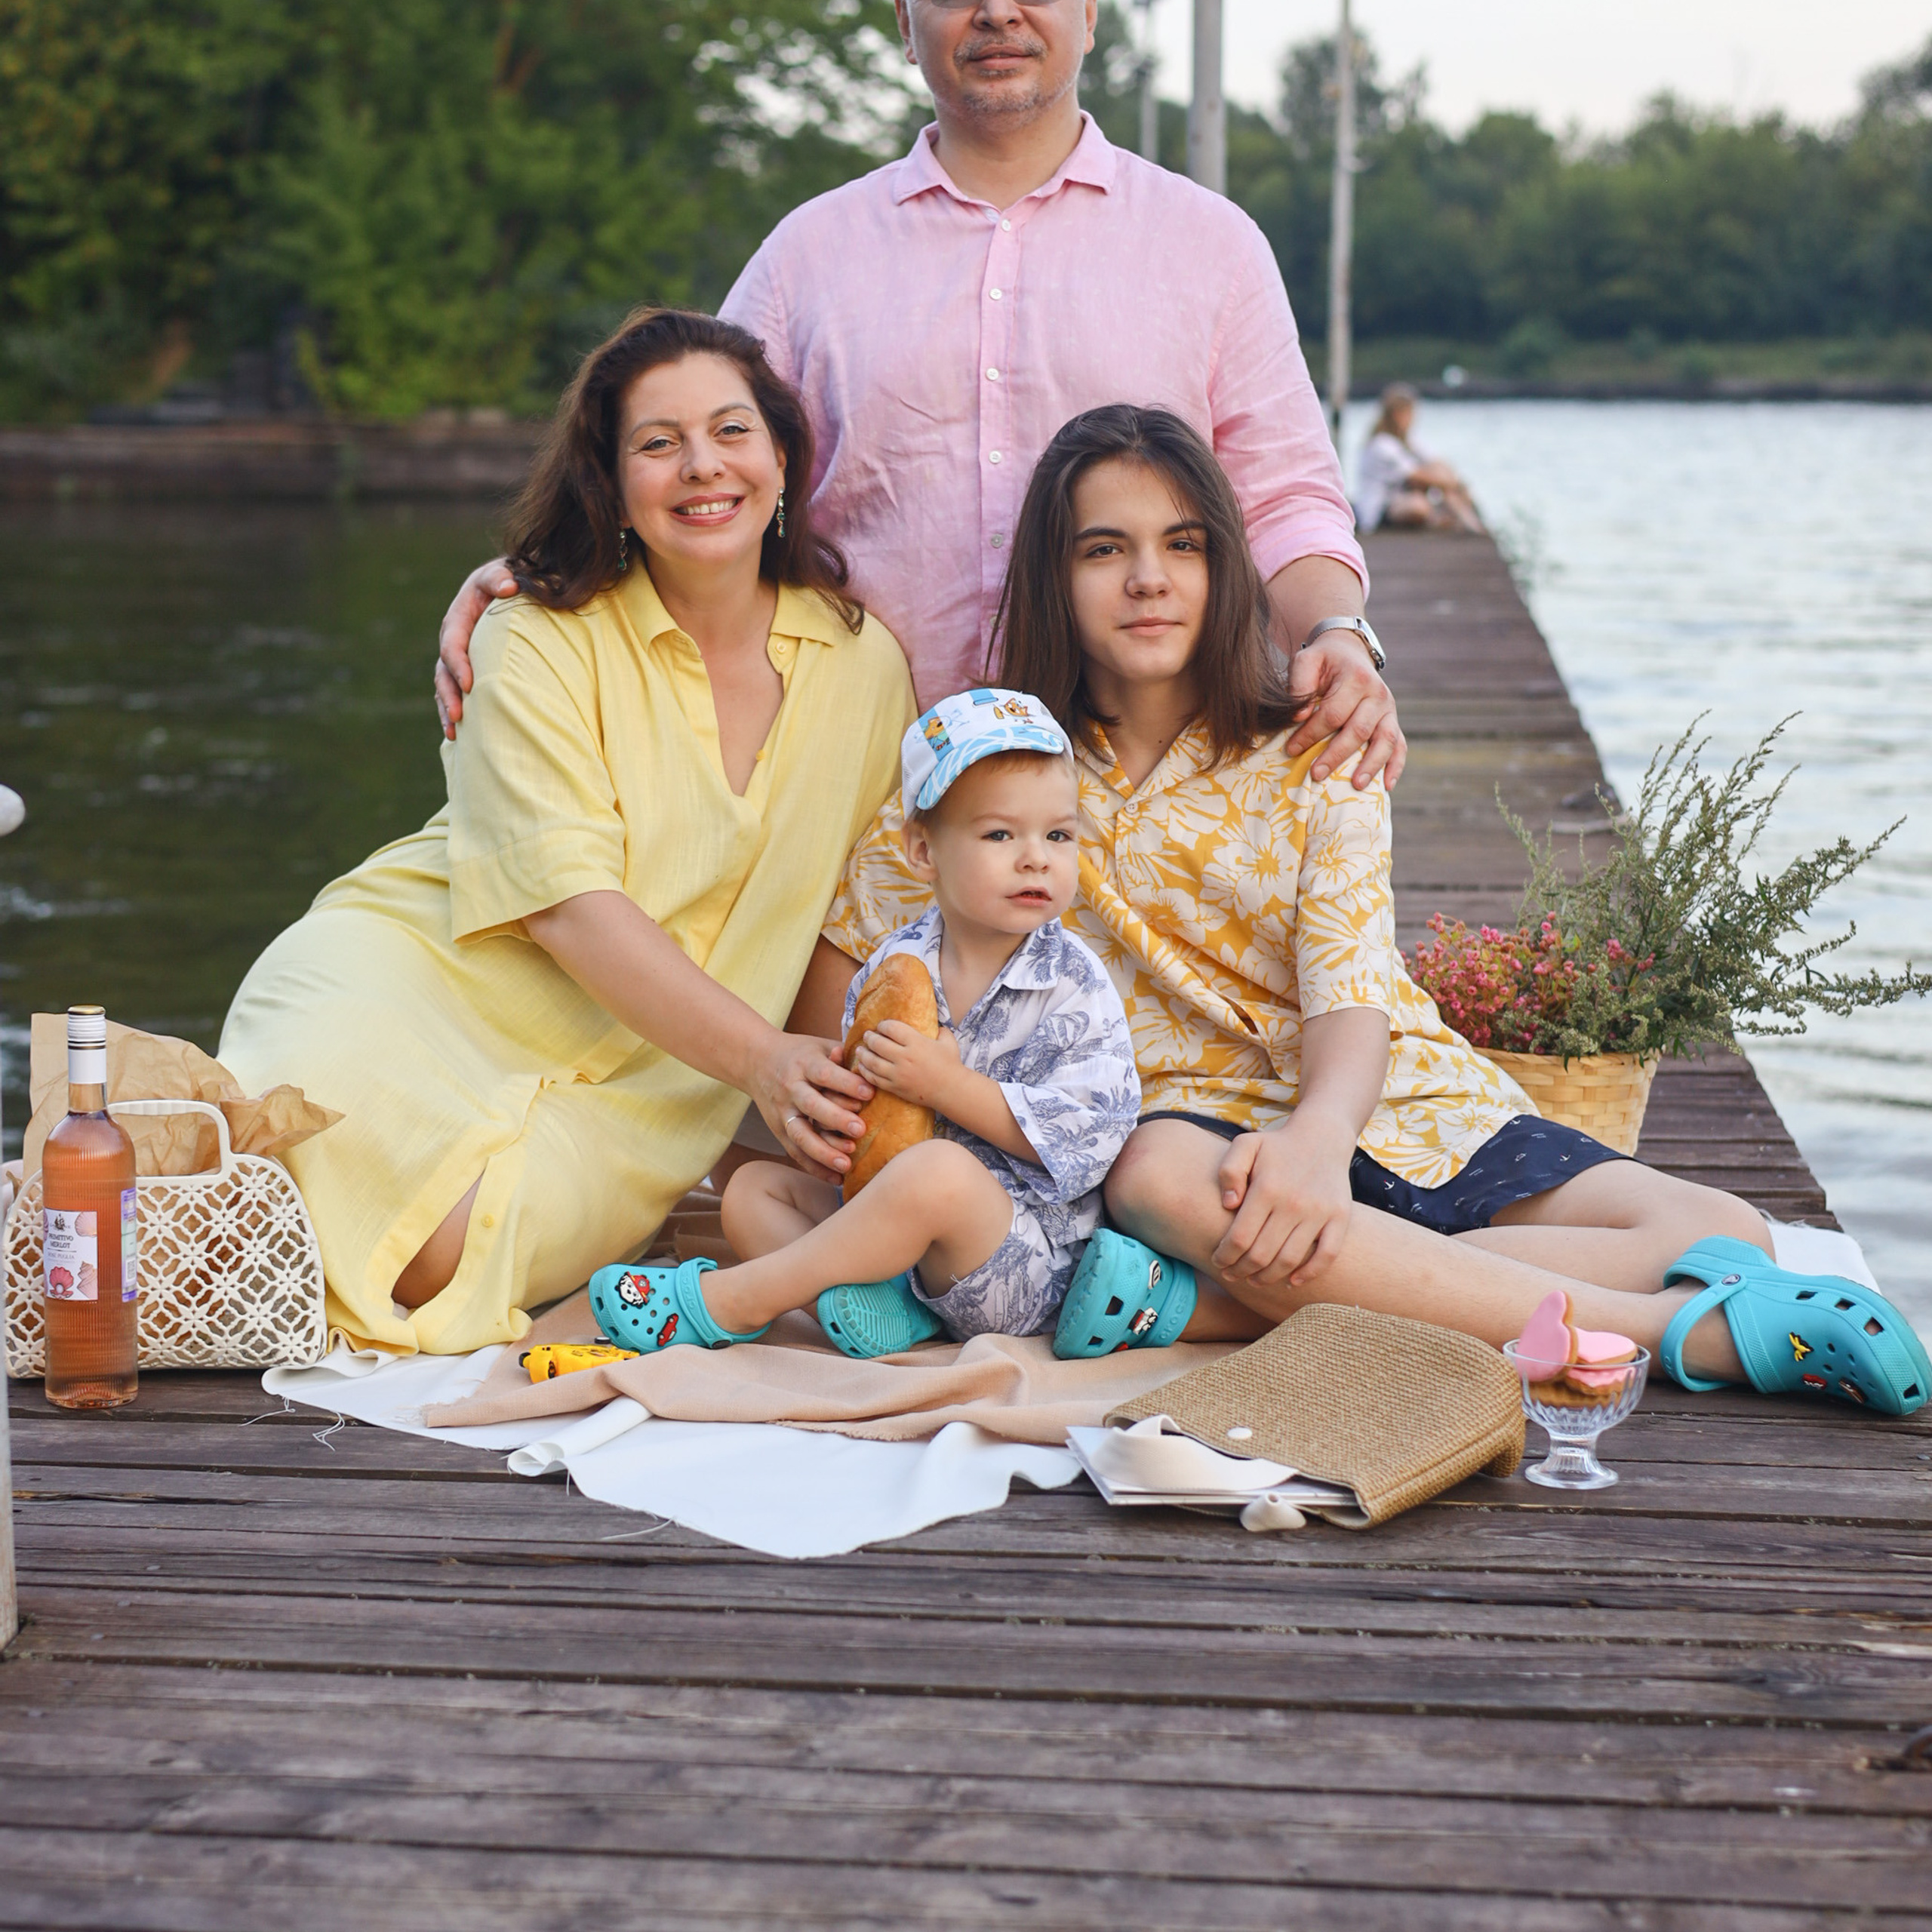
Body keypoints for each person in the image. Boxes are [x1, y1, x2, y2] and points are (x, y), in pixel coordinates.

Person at [823, 403, 1931, 1414]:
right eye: (1104, 550)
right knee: (1156, 1181)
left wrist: (1318, 1136)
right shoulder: (1003, 774)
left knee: (1729, 1227)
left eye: (1183, 546)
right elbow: (853, 949)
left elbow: (1353, 983)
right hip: (1190, 1134)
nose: (1147, 580)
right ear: (1054, 578)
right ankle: (1677, 1335)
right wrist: (823, 1087)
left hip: (1379, 1092)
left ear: (1228, 567)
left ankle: (1230, 1297)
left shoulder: (1318, 748)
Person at [435, 0, 1405, 798]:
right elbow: (705, 469)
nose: (997, 14)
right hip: (865, 780)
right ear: (905, 22)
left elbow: (1284, 500)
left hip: (1149, 774)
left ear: (1092, 15)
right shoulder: (808, 256)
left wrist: (1335, 635)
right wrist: (553, 569)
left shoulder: (1212, 246)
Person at [217, 309, 915, 1355]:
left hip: (654, 1087)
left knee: (435, 1254)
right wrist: (768, 1062)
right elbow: (563, 908)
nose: (701, 468)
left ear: (781, 456)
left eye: (732, 432)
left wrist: (832, 1102)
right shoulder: (532, 636)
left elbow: (838, 916)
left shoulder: (867, 669)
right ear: (612, 483)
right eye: (656, 444)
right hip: (421, 981)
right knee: (304, 1159)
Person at [586, 688, 1140, 1361]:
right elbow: (871, 1115)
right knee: (752, 1191)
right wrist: (835, 1124)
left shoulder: (1074, 983)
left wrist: (948, 1087)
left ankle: (734, 1301)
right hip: (900, 1242)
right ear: (923, 852)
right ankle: (882, 1311)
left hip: (1018, 1261)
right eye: (1000, 834)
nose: (1036, 857)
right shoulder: (895, 968)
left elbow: (1095, 1139)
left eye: (1058, 834)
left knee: (939, 1168)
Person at [1353, 382, 1484, 534]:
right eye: (1411, 413)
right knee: (1419, 506)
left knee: (1439, 472)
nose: (1413, 419)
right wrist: (1456, 486)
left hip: (1401, 501)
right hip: (1378, 513)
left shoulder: (1408, 442)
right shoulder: (1381, 445)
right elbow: (1415, 476)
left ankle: (1462, 519)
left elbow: (1436, 462)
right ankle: (1463, 520)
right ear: (1398, 414)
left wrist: (1451, 482)